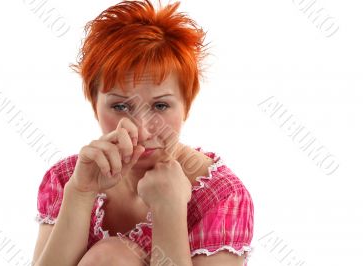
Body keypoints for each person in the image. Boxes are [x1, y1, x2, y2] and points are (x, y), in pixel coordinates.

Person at [32, 0, 254, 265]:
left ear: (187, 105)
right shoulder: (68, 177)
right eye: (120, 106)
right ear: (94, 105)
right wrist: (79, 193)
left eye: (160, 105)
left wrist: (169, 211)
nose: (141, 128)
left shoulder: (221, 197)